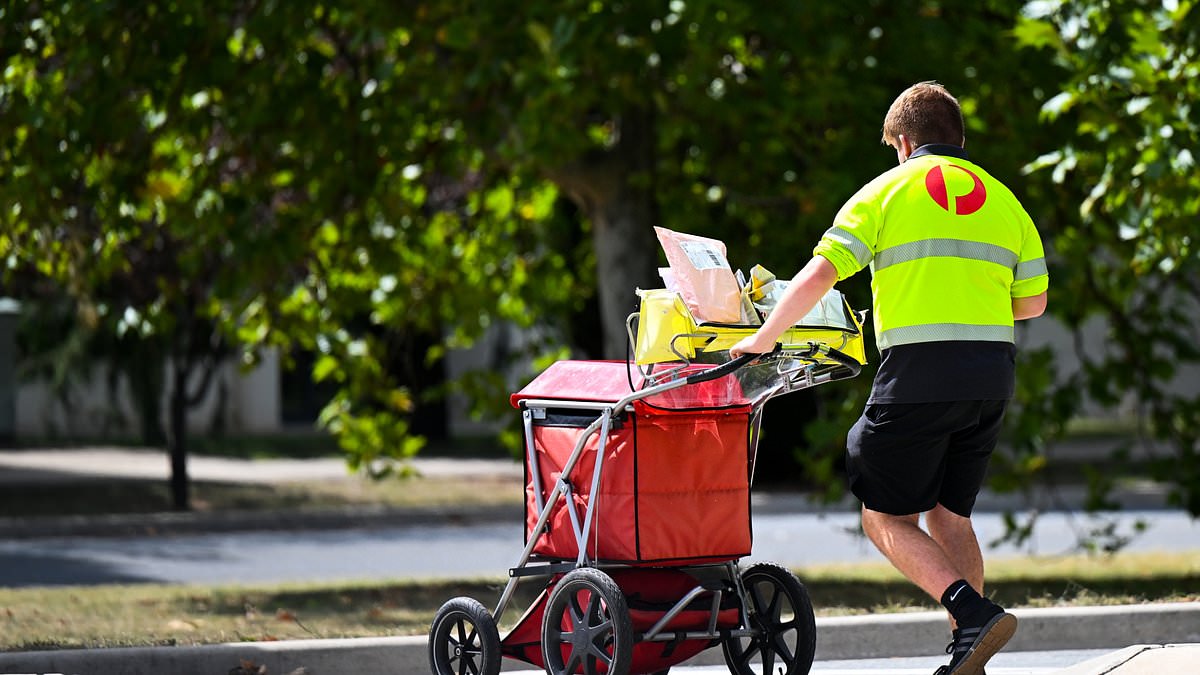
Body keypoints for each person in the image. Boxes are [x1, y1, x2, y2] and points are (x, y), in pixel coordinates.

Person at [730, 81, 1048, 675]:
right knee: (949, 515)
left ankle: (970, 613)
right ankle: (968, 649)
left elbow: (821, 273)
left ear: (903, 144)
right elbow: (1033, 304)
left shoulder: (884, 192)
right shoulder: (1005, 200)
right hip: (991, 373)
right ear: (957, 140)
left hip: (919, 373)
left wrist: (762, 338)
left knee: (882, 513)